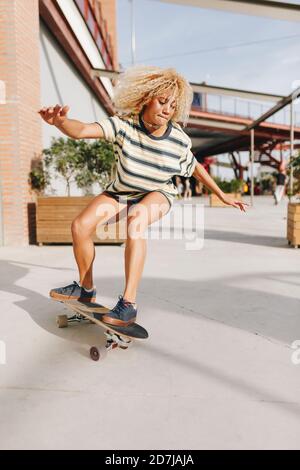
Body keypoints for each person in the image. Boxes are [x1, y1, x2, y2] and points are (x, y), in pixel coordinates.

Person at [38, 65, 248, 327]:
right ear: (146, 97)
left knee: (136, 220)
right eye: (162, 102)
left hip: (158, 192)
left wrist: (221, 194)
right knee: (80, 226)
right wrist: (60, 122)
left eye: (173, 106)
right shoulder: (122, 126)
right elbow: (81, 130)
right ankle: (87, 288)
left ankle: (128, 304)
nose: (167, 110)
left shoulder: (178, 140)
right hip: (121, 190)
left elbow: (194, 167)